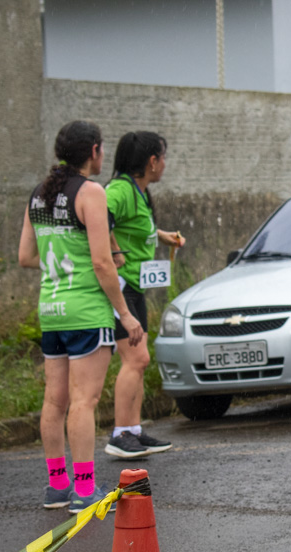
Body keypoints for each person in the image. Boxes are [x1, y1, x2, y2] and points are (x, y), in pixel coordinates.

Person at [18, 120, 145, 514]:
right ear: (94, 151)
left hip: (51, 311)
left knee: (54, 402)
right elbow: (103, 264)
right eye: (101, 149)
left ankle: (58, 486)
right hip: (87, 312)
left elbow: (26, 257)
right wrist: (125, 315)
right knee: (84, 402)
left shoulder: (39, 194)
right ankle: (85, 490)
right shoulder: (90, 192)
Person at [103, 131, 186, 459]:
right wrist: (114, 252)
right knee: (135, 359)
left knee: (139, 360)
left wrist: (164, 237)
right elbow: (99, 220)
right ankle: (120, 433)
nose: (165, 163)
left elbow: (136, 228)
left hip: (135, 287)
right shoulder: (120, 189)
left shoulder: (139, 192)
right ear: (152, 161)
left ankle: (133, 430)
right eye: (163, 157)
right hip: (120, 287)